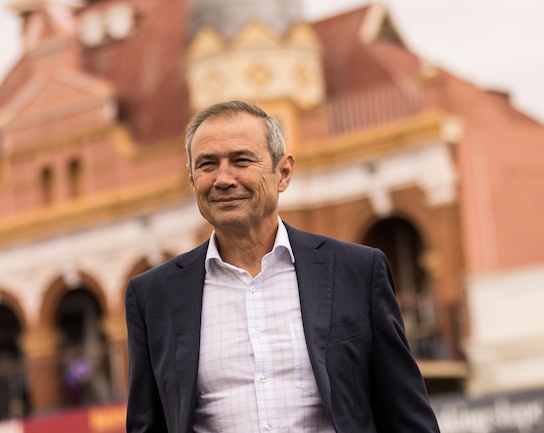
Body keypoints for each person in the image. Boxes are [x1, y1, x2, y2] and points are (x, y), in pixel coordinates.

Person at [125, 101, 440, 432]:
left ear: (283, 172)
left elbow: (407, 417)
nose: (223, 178)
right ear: (192, 181)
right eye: (207, 165)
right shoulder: (153, 297)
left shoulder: (357, 271)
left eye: (241, 160)